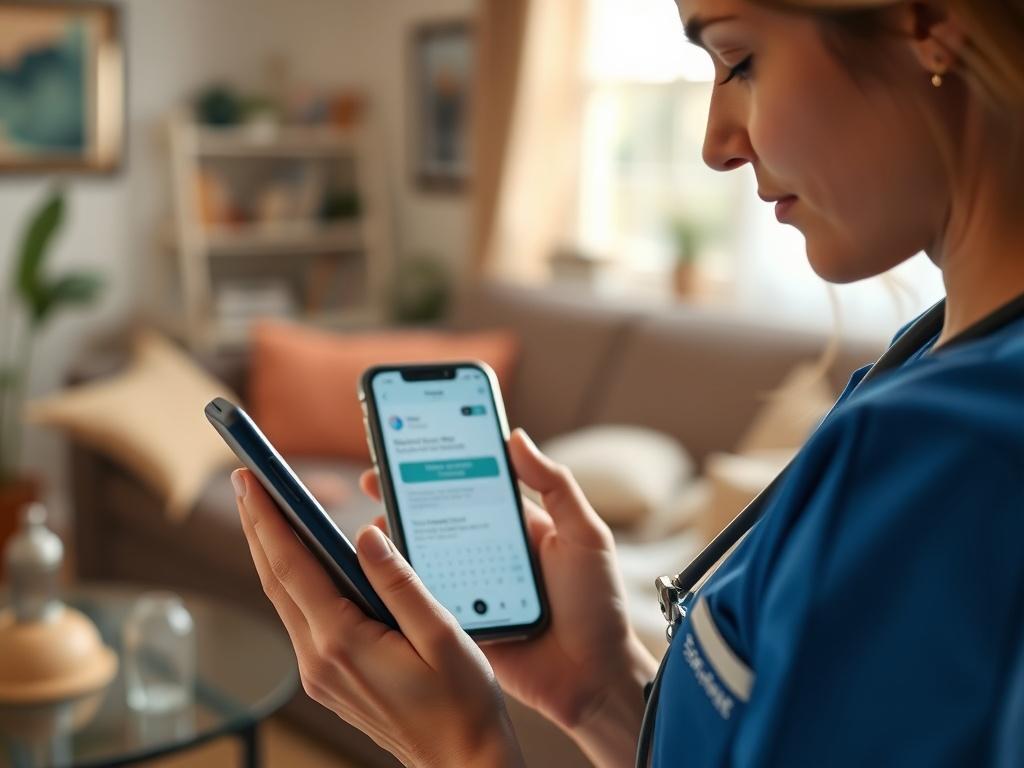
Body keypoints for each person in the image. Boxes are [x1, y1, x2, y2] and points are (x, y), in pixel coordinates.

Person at [230, 0, 1024, 765]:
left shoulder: (948, 452)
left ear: (931, 26)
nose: (716, 143)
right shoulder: (926, 356)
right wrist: (604, 690)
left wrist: (459, 751)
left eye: (740, 59)